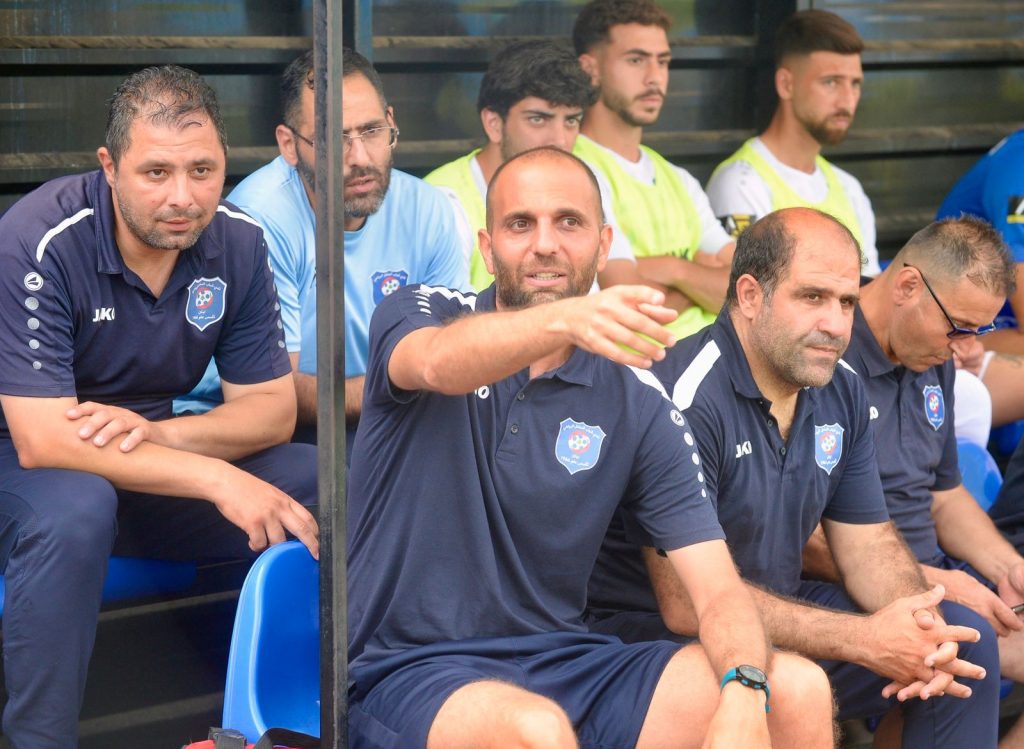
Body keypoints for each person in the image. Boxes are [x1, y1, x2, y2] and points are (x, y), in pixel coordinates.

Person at [346, 147, 834, 748]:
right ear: (487, 248)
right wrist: (566, 319)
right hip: (409, 669)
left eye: (568, 223)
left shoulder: (639, 399)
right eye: (520, 224)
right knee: (535, 730)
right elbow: (436, 363)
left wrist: (743, 688)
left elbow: (717, 591)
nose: (544, 244)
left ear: (604, 246)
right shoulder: (423, 312)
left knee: (797, 691)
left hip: (568, 662)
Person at [586, 207, 1001, 748]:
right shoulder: (682, 398)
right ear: (750, 296)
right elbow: (686, 604)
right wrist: (863, 638)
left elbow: (869, 544)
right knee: (799, 684)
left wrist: (915, 620)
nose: (836, 324)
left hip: (775, 608)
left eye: (846, 302)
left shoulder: (841, 387)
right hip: (657, 637)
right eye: (812, 297)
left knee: (955, 646)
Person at [0, 66, 320, 749]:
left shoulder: (238, 240)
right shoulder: (41, 236)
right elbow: (42, 439)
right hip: (26, 470)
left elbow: (270, 411)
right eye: (155, 173)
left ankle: (293, 717)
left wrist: (159, 434)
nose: (183, 197)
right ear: (109, 166)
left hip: (144, 460)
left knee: (316, 478)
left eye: (203, 170)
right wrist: (216, 477)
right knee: (78, 507)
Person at [803, 217, 1024, 747]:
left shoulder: (933, 357)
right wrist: (931, 586)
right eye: (958, 327)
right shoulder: (821, 353)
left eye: (978, 332)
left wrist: (1008, 568)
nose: (964, 350)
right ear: (907, 286)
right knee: (964, 644)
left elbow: (944, 497)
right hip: (843, 588)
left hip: (930, 577)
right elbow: (795, 533)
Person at [178, 49, 467, 446]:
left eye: (372, 131)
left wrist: (431, 374)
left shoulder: (428, 208)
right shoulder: (260, 218)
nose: (359, 158)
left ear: (392, 122)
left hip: (380, 417)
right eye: (334, 139)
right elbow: (276, 393)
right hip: (256, 425)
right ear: (288, 144)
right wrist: (408, 381)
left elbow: (454, 351)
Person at [426, 39, 645, 298]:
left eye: (571, 121)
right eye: (538, 119)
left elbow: (615, 294)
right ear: (494, 123)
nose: (560, 139)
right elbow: (448, 317)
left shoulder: (579, 184)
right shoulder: (442, 202)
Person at [572, 0, 735, 341]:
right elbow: (626, 303)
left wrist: (674, 270)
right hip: (635, 365)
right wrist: (700, 277)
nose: (654, 77)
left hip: (710, 360)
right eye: (636, 60)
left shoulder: (680, 179)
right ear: (590, 68)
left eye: (662, 61)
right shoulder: (573, 170)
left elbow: (746, 284)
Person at [705, 9, 880, 276]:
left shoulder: (850, 189)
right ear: (786, 84)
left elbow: (870, 290)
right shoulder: (741, 183)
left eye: (855, 84)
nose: (847, 100)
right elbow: (753, 292)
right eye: (831, 82)